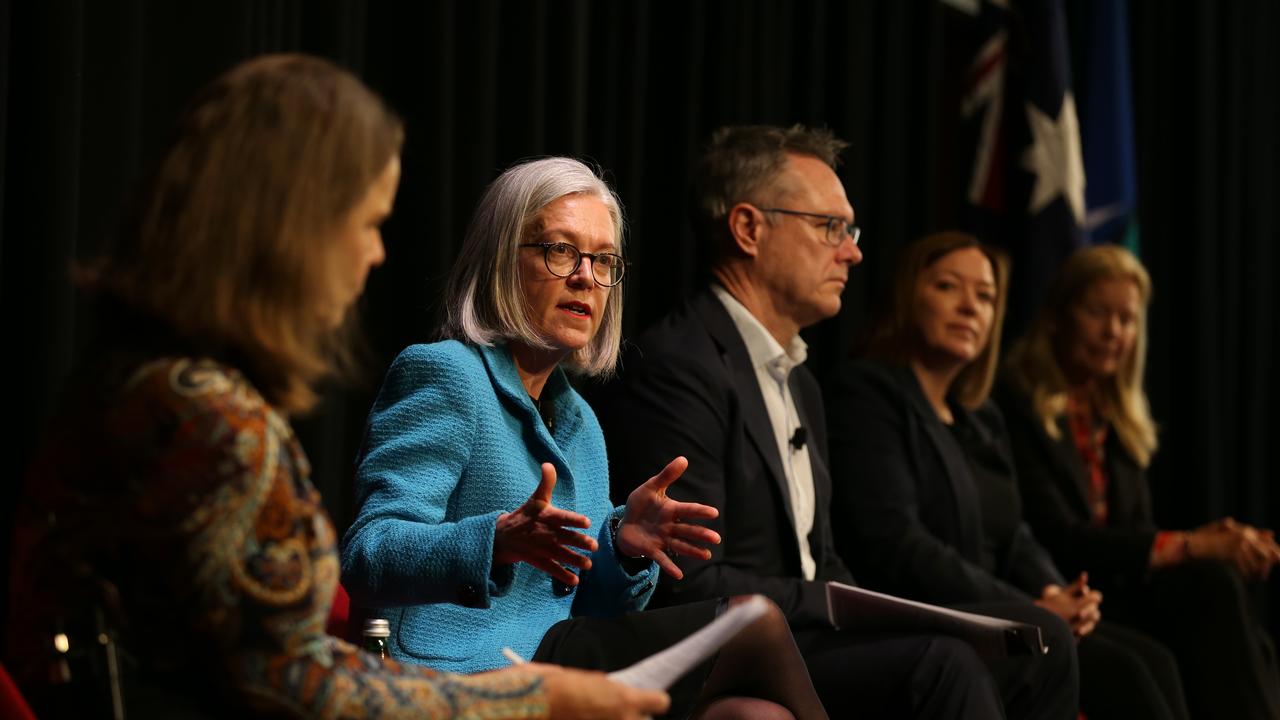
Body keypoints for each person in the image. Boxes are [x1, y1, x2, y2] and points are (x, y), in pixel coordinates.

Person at [4, 54, 669, 720]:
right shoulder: (206, 422)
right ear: (290, 229)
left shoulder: (138, 381)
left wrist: (615, 553)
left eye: (604, 261)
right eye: (366, 222)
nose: (377, 253)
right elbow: (297, 686)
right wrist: (530, 699)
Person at [592, 125, 1077, 718]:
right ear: (749, 229)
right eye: (831, 228)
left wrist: (870, 605)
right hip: (733, 646)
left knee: (1037, 642)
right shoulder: (678, 367)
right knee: (941, 666)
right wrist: (831, 601)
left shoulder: (801, 380)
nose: (852, 251)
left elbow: (822, 558)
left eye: (850, 231)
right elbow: (688, 580)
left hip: (808, 630)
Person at [340, 156, 828, 719]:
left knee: (754, 716)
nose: (585, 278)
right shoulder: (446, 374)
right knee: (753, 617)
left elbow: (580, 606)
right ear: (501, 259)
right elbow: (367, 552)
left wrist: (620, 548)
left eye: (603, 261)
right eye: (560, 250)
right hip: (460, 673)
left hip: (558, 666)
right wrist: (493, 540)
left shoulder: (581, 425)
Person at [827, 231, 1190, 720]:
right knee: (1126, 675)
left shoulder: (980, 416)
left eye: (985, 296)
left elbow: (1015, 534)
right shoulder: (868, 394)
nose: (969, 307)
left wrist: (1054, 591)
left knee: (1156, 661)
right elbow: (895, 543)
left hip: (1010, 612)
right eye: (948, 287)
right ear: (907, 296)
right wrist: (1032, 607)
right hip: (934, 619)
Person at [996, 243, 1280, 719]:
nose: (1113, 332)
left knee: (1221, 593)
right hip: (1063, 588)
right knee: (1205, 590)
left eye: (1126, 320)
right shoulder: (1017, 401)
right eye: (1097, 313)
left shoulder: (1118, 413)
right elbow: (1056, 536)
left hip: (1123, 589)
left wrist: (1218, 547)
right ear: (1059, 316)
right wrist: (1191, 544)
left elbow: (1135, 526)